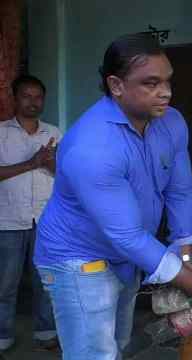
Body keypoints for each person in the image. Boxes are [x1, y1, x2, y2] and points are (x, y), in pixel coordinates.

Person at [33, 34, 192, 359]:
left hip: (127, 255)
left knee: (117, 347)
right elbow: (128, 235)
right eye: (151, 83)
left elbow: (180, 190)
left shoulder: (170, 122)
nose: (166, 92)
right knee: (94, 354)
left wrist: (186, 260)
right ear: (116, 85)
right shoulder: (92, 147)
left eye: (167, 81)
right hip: (77, 257)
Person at [0, 75, 59, 352]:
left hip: (46, 220)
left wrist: (51, 165)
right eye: (27, 96)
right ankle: (3, 336)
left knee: (46, 281)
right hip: (7, 221)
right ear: (15, 98)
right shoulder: (1, 133)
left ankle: (46, 332)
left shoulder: (55, 133)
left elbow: (68, 175)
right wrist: (32, 163)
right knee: (5, 285)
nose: (33, 102)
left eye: (38, 97)